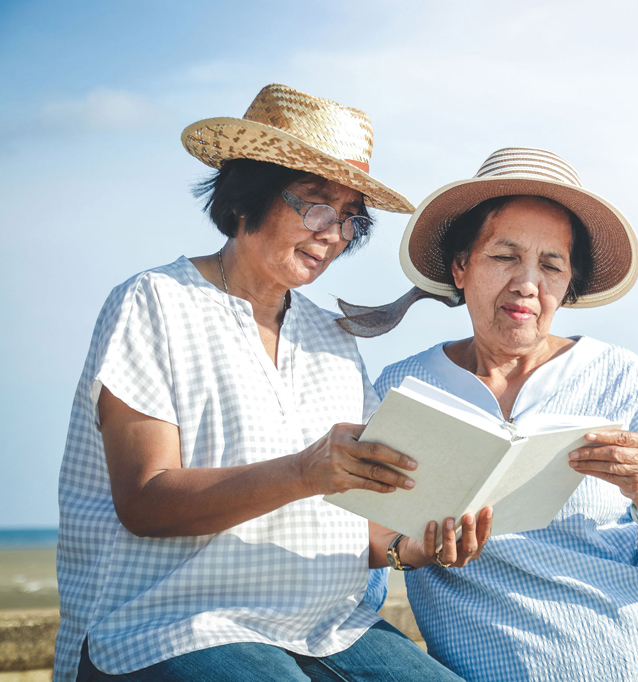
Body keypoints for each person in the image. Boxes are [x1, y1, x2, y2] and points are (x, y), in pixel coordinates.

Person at [56, 84, 490, 682]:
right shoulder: (155, 301)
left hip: (327, 625)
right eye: (315, 206)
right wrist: (303, 471)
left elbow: (348, 518)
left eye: (348, 219)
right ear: (245, 197)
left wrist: (408, 547)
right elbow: (144, 500)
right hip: (170, 622)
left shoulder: (334, 339)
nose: (332, 234)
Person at [366, 148, 638, 681]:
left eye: (551, 265)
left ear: (569, 286)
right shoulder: (402, 388)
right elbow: (357, 544)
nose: (527, 283)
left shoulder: (622, 377)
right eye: (504, 256)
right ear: (460, 266)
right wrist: (415, 550)